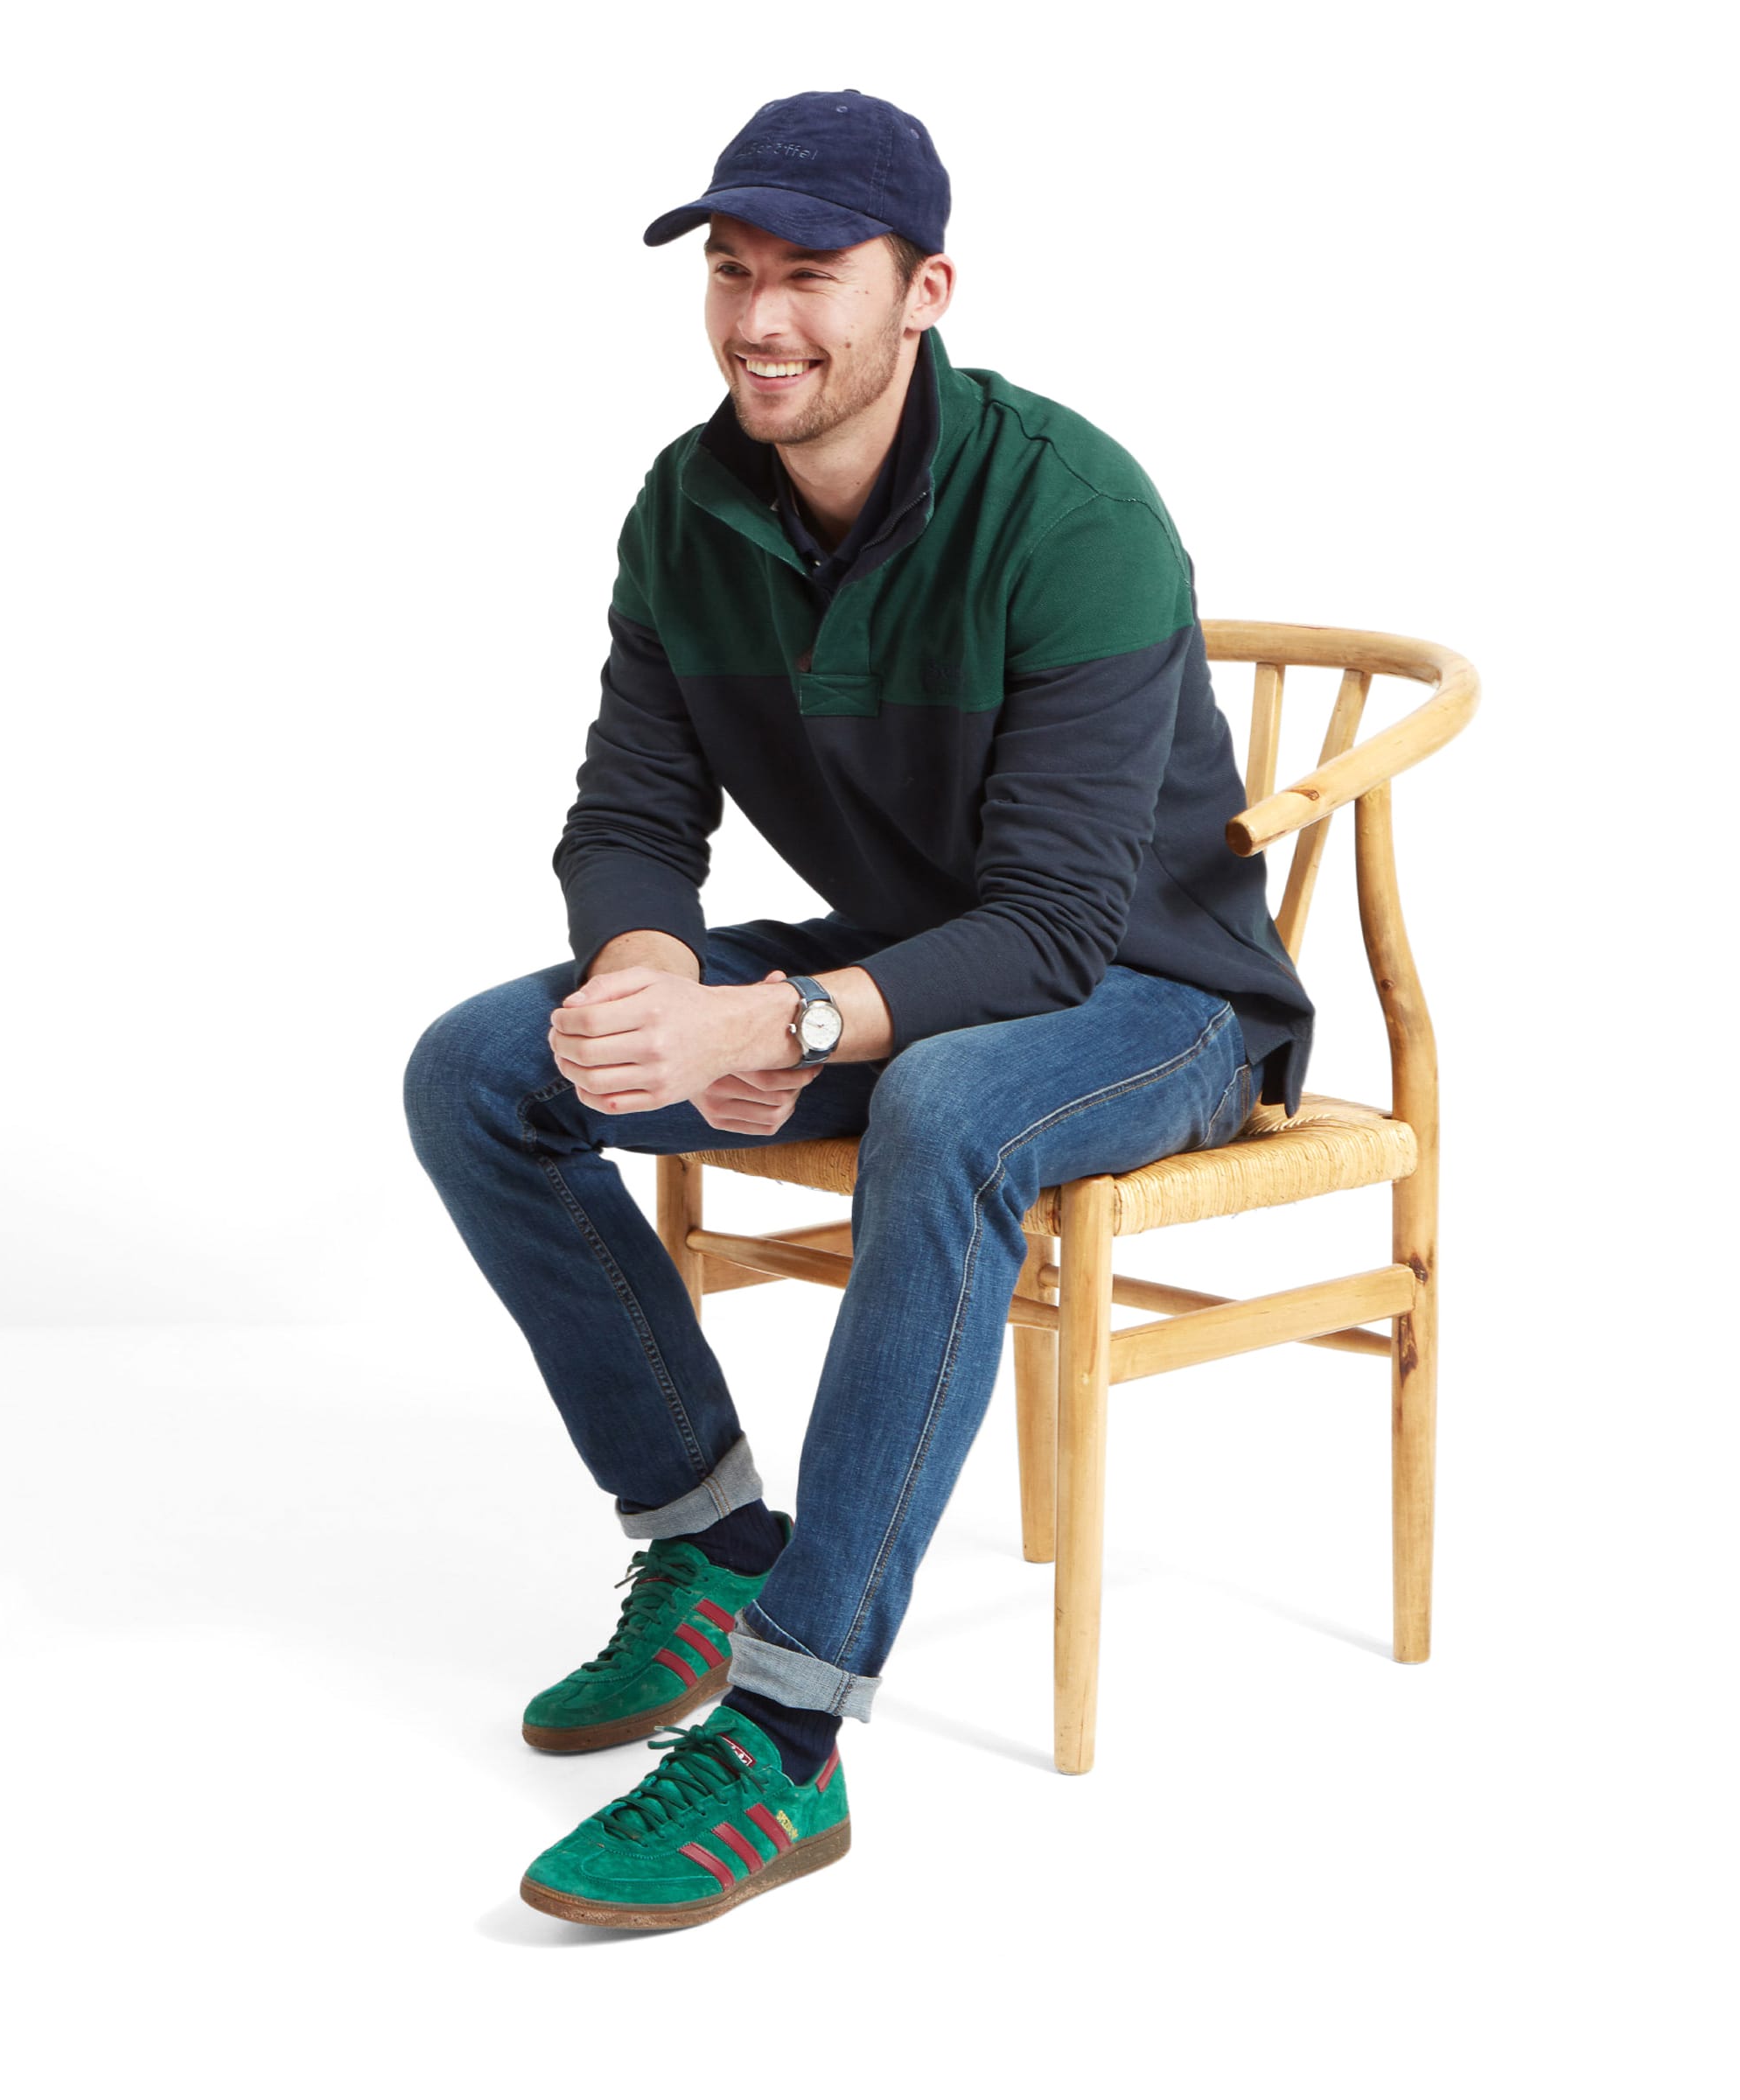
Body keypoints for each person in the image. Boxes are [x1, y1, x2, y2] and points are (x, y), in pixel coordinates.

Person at [403, 87, 1314, 1930]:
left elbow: (1059, 931)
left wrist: (792, 1027)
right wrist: (656, 974)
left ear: (925, 292)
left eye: (812, 273)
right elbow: (632, 814)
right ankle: (710, 1545)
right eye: (732, 271)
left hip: (1156, 997)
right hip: (899, 977)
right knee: (485, 1067)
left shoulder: (1073, 511)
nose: (760, 318)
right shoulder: (689, 505)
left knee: (951, 1106)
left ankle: (789, 1743)